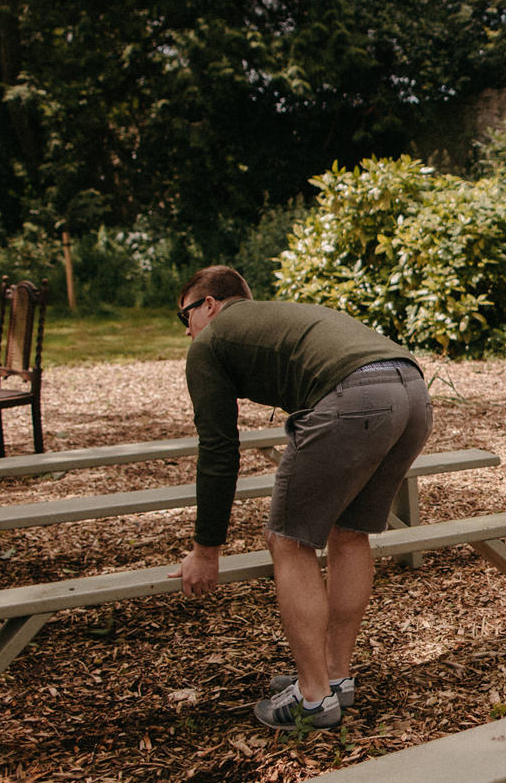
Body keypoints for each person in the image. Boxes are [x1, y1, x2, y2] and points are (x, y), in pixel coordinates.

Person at [172, 266, 432, 729]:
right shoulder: (279, 317)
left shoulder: (211, 343)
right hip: (411, 390)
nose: (187, 331)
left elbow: (217, 448)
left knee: (290, 541)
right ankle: (335, 677)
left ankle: (312, 699)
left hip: (355, 397)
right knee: (349, 533)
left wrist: (205, 550)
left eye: (184, 317)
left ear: (209, 304)